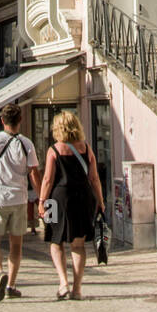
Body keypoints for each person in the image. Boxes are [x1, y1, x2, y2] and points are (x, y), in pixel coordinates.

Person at [0, 103, 41, 303]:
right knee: (16, 244)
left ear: (2, 121)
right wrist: (41, 198)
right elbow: (34, 173)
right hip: (19, 199)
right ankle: (11, 285)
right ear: (20, 120)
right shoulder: (27, 144)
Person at [38, 110, 105, 300]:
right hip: (83, 198)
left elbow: (48, 180)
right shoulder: (86, 148)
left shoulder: (54, 150)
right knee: (78, 244)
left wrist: (42, 202)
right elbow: (94, 178)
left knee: (55, 240)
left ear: (57, 128)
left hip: (57, 199)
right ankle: (77, 289)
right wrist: (100, 201)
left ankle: (63, 283)